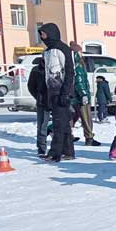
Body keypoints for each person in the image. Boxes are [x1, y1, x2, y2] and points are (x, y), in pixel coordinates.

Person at [39, 23, 75, 162]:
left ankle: (55, 153)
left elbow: (70, 72)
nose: (42, 37)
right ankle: (68, 151)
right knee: (64, 123)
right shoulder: (48, 51)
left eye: (43, 34)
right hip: (51, 91)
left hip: (61, 91)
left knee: (58, 123)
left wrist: (66, 93)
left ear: (51, 33)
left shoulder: (63, 49)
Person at [69, 42, 100, 146]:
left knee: (73, 116)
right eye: (80, 51)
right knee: (86, 117)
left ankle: (67, 135)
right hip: (80, 97)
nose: (82, 53)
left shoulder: (72, 64)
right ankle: (89, 137)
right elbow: (79, 80)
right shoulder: (78, 65)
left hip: (73, 96)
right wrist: (83, 94)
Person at [26, 57, 49, 157]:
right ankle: (41, 148)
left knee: (59, 125)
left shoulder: (57, 67)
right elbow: (31, 86)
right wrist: (38, 96)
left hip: (56, 100)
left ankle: (60, 147)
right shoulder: (36, 70)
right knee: (42, 126)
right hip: (43, 101)